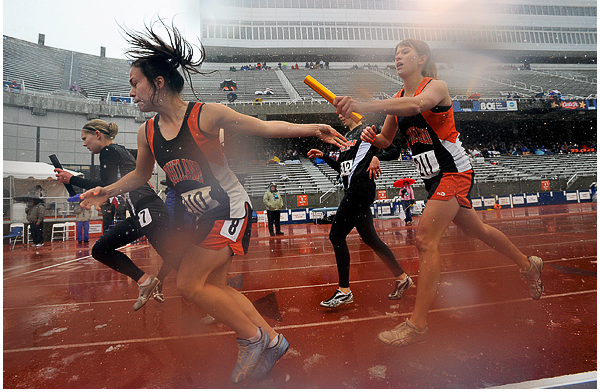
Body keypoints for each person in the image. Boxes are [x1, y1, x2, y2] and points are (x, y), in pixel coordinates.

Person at [77, 19, 345, 384]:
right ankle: (272, 340)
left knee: (189, 284)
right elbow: (141, 175)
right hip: (203, 216)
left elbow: (264, 127)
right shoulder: (147, 131)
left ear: (158, 83)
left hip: (230, 207)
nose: (131, 92)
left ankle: (252, 339)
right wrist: (106, 191)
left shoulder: (205, 115)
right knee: (214, 288)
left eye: (135, 83)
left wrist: (313, 127)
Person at [333, 38, 544, 347]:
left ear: (422, 59)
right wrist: (371, 136)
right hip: (432, 178)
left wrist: (363, 105)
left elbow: (416, 106)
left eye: (405, 52)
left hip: (454, 172)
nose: (398, 56)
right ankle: (528, 264)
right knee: (478, 230)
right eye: (396, 53)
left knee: (424, 240)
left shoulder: (436, 87)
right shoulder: (398, 98)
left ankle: (417, 325)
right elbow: (386, 140)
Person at [54, 118, 175, 312]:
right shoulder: (121, 150)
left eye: (85, 138)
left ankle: (212, 290)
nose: (84, 144)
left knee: (176, 260)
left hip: (148, 210)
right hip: (142, 212)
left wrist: (72, 179)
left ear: (97, 135)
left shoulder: (108, 151)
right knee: (101, 249)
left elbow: (105, 184)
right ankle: (147, 282)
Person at [307, 115, 413, 308]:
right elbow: (342, 169)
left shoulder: (367, 130)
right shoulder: (345, 137)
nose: (340, 114)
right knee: (371, 239)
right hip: (353, 189)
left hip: (360, 189)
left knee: (336, 235)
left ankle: (344, 291)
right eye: (338, 112)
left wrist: (376, 157)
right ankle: (402, 277)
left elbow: (393, 149)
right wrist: (324, 157)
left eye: (343, 110)